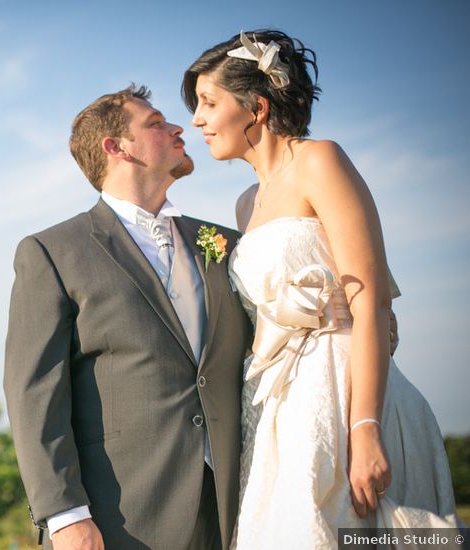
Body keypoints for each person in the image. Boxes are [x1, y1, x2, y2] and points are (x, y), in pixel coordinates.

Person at [184, 30, 463, 548]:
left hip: (345, 388)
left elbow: (371, 298)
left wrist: (365, 426)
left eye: (208, 103)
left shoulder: (321, 160)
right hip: (277, 402)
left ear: (257, 107)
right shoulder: (247, 203)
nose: (197, 120)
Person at [4, 84, 252, 549]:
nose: (180, 127)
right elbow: (33, 392)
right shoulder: (52, 252)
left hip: (236, 505)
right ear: (116, 147)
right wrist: (64, 516)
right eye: (157, 123)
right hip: (123, 518)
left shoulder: (224, 244)